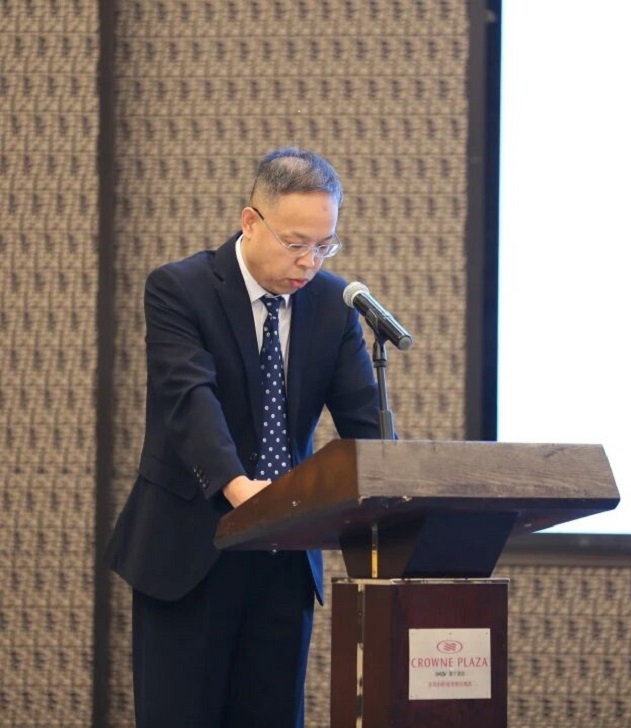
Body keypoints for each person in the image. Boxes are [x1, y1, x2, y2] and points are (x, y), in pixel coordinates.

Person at [106, 147, 381, 727]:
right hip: (189, 550)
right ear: (250, 221)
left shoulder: (333, 307)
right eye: (295, 243)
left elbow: (366, 424)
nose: (309, 262)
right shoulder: (180, 289)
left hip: (284, 558)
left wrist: (395, 500)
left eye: (324, 245)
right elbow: (190, 401)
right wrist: (239, 489)